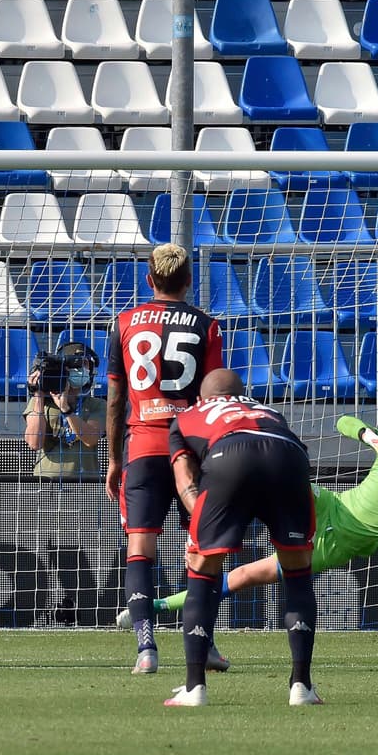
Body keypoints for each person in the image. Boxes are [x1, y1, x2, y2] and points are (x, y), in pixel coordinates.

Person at [119, 413, 378, 638]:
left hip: (340, 543)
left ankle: (156, 609)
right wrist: (375, 440)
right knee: (275, 480)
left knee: (248, 575)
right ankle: (213, 505)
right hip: (329, 504)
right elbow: (344, 421)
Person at [162, 369, 318, 707]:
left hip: (229, 455)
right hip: (289, 457)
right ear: (243, 393)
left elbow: (184, 479)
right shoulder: (269, 411)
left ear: (203, 397)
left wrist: (201, 530)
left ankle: (194, 688)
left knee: (203, 569)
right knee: (297, 571)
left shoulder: (188, 415)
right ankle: (302, 686)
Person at [106, 243, 223, 674]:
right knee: (202, 547)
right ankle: (203, 644)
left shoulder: (124, 323)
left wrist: (115, 459)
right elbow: (215, 398)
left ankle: (146, 649)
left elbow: (116, 398)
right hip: (191, 449)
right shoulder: (207, 327)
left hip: (143, 446)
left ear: (149, 279)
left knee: (140, 546)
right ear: (189, 279)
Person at [23, 342, 105, 480]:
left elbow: (91, 438)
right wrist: (38, 396)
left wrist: (65, 409)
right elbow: (34, 443)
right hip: (46, 484)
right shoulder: (41, 403)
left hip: (86, 486)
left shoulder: (97, 405)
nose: (83, 369)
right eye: (77, 364)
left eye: (85, 365)